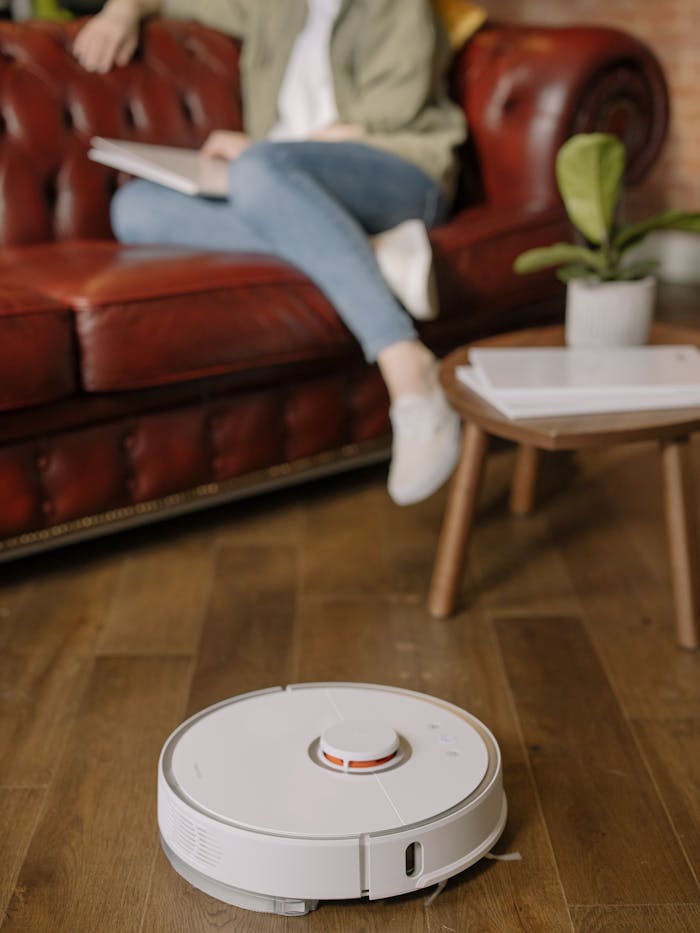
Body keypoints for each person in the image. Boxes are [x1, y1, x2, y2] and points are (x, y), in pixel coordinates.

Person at [73, 0, 467, 506]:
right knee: (135, 208)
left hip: (396, 170)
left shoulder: (398, 5)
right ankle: (363, 250)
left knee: (259, 168)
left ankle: (405, 361)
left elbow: (394, 110)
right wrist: (120, 12)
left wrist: (262, 155)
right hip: (274, 181)